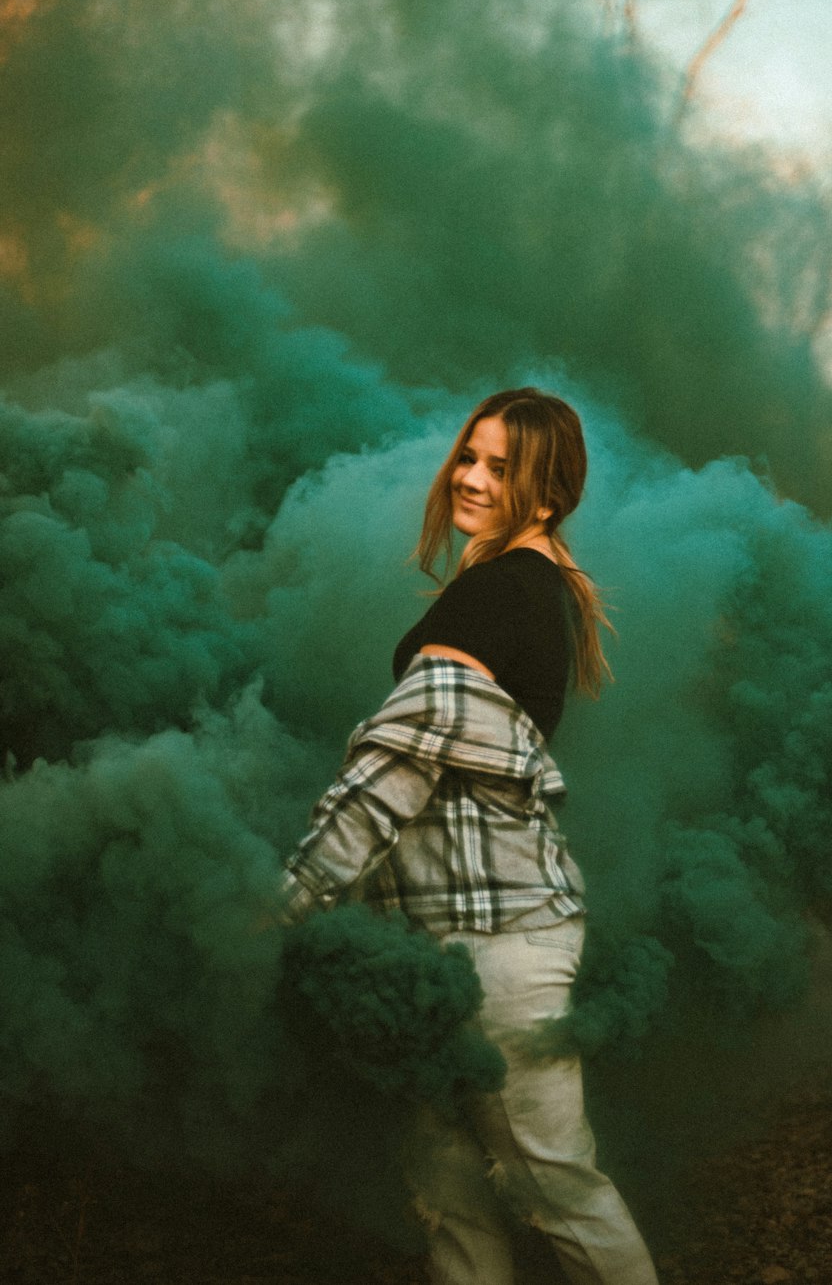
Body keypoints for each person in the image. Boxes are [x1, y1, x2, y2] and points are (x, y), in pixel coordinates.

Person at [278, 387, 658, 1285]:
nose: (472, 477)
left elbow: (385, 785)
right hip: (445, 945)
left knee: (555, 1183)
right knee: (450, 1193)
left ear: (547, 496)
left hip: (499, 950)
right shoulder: (531, 586)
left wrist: (280, 909)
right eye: (470, 455)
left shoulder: (501, 592)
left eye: (502, 467)